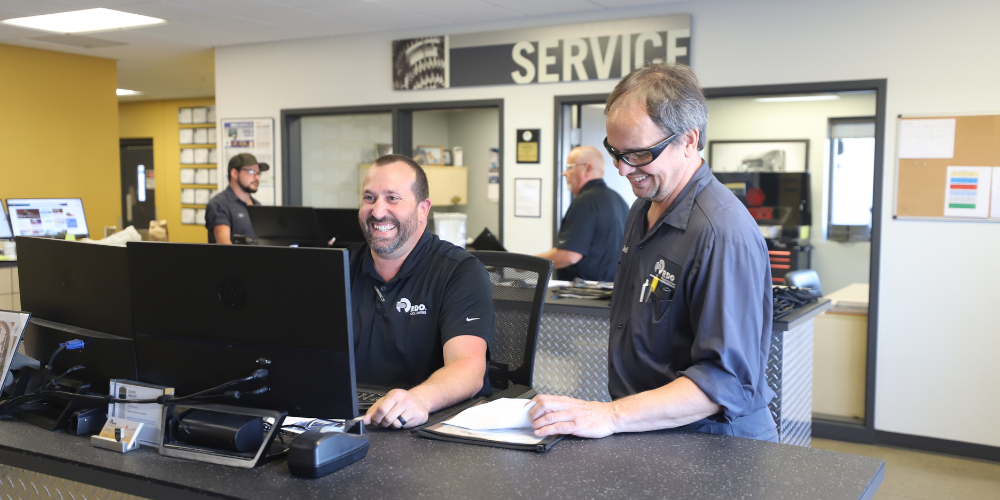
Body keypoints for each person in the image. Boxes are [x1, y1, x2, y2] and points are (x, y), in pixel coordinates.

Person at [529, 63, 778, 442]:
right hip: (651, 430)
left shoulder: (721, 232)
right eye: (615, 152)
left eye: (640, 154)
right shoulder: (643, 207)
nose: (623, 170)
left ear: (689, 141)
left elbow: (724, 380)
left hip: (714, 445)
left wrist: (610, 415)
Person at [351, 154, 494, 429]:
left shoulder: (460, 271)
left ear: (422, 209)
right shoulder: (340, 267)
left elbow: (469, 367)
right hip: (352, 421)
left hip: (430, 425)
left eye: (392, 198)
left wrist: (418, 399)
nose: (378, 211)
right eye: (369, 198)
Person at [536, 146, 629, 282]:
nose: (564, 173)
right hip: (610, 290)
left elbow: (569, 255)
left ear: (587, 169)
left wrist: (528, 263)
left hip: (584, 294)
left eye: (569, 167)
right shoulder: (618, 200)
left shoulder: (585, 202)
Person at [205, 153, 269, 244]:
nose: (257, 177)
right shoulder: (219, 204)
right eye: (251, 171)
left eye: (258, 173)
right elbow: (223, 241)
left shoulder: (257, 205)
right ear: (234, 173)